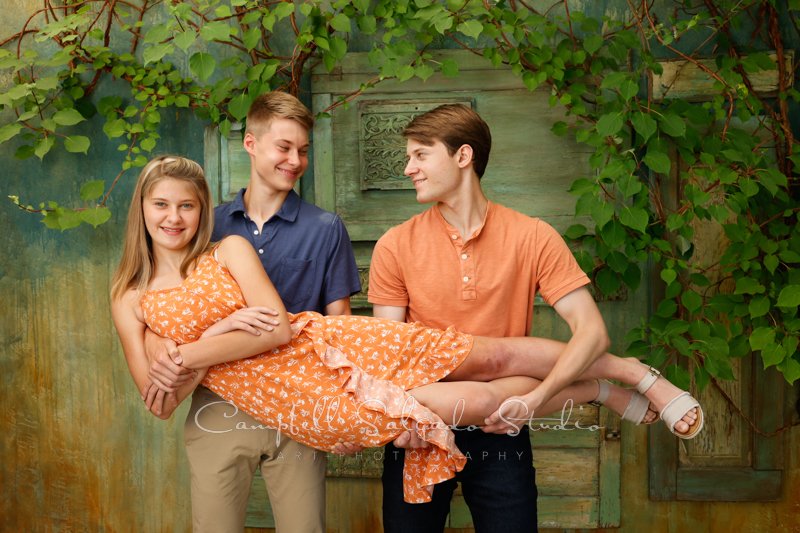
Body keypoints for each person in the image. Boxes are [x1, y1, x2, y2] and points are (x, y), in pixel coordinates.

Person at [110, 156, 703, 511]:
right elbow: (159, 400)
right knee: (463, 404)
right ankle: (597, 391)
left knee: (487, 356)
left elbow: (270, 329)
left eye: (186, 206)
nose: (173, 218)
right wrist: (205, 343)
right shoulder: (129, 298)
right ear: (142, 209)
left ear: (202, 209)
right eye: (161, 205)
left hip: (329, 344)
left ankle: (626, 370)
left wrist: (187, 350)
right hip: (306, 403)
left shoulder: (230, 249)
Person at [368, 104, 703, 532]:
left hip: (503, 427)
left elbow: (591, 330)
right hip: (421, 431)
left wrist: (534, 399)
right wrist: (407, 418)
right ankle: (607, 385)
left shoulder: (533, 236)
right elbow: (391, 357)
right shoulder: (395, 246)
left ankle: (607, 385)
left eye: (420, 155)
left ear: (463, 156)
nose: (407, 168)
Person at [139, 92, 362, 533]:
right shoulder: (205, 224)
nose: (295, 160)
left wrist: (347, 407)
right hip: (217, 404)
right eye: (284, 147)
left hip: (300, 404)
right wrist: (156, 344)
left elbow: (341, 327)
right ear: (251, 144)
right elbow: (160, 303)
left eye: (302, 151)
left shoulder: (325, 228)